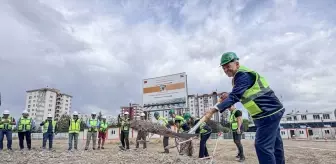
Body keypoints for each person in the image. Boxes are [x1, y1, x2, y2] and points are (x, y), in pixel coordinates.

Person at [209, 52, 285, 164]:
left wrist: (213, 109)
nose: (226, 70)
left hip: (267, 114)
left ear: (237, 64)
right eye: (224, 68)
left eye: (228, 66)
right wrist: (228, 95)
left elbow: (236, 96)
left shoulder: (242, 75)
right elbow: (241, 93)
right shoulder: (240, 76)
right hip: (269, 112)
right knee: (275, 145)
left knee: (262, 146)